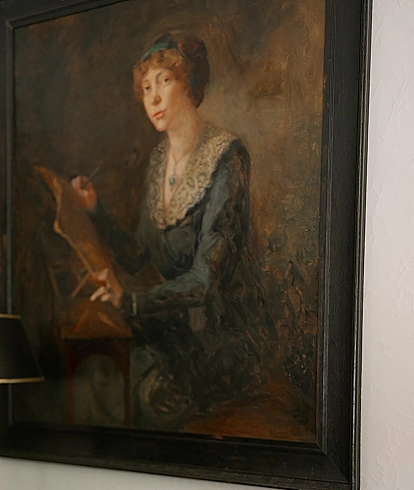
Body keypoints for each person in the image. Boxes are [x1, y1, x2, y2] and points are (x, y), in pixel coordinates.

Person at [71, 31, 269, 430]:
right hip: (172, 326)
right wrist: (96, 212)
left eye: (164, 81)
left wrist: (131, 302)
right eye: (146, 88)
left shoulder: (227, 158)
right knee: (96, 371)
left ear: (190, 83)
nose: (154, 97)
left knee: (144, 392)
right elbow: (139, 256)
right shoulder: (159, 161)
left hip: (218, 339)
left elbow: (205, 280)